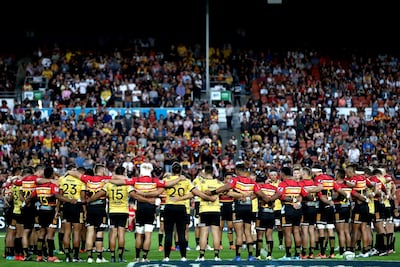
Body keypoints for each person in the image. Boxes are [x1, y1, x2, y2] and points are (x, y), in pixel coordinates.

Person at [108, 162, 183, 262]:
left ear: (141, 171)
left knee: (139, 234)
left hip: (140, 207)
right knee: (148, 234)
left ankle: (137, 257)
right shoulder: (154, 180)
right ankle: (144, 257)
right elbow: (168, 184)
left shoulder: (136, 180)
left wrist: (107, 179)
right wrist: (179, 178)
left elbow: (120, 182)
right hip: (150, 208)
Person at [205, 163, 270, 261]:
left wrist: (212, 192)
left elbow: (225, 187)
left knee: (239, 233)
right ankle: (250, 256)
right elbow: (261, 195)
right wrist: (269, 201)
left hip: (238, 207)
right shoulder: (252, 182)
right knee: (248, 232)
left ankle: (238, 256)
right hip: (249, 208)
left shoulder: (236, 180)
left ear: (238, 171)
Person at [173, 165, 223, 261]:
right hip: (216, 210)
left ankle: (201, 256)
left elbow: (193, 193)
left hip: (204, 211)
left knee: (203, 233)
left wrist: (180, 198)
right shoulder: (218, 183)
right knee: (215, 233)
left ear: (204, 173)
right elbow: (225, 192)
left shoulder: (200, 183)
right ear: (213, 172)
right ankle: (216, 256)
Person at [87, 166, 133, 263]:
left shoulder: (108, 184)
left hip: (112, 211)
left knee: (113, 233)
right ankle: (120, 257)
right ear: (123, 172)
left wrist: (89, 200)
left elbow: (101, 193)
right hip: (123, 211)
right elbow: (133, 194)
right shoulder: (126, 183)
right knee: (121, 234)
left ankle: (112, 257)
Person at [28, 166, 74, 262]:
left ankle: (39, 256)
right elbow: (57, 196)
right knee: (50, 234)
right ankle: (50, 256)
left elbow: (30, 197)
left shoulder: (38, 187)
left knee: (41, 233)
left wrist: (24, 204)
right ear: (52, 174)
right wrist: (70, 200)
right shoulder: (52, 185)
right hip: (50, 211)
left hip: (41, 211)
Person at [58, 166, 87, 262]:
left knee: (67, 232)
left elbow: (60, 196)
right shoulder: (80, 181)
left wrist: (58, 209)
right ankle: (75, 256)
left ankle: (67, 256)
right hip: (77, 206)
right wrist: (85, 210)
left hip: (66, 206)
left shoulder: (63, 179)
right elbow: (83, 198)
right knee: (76, 232)